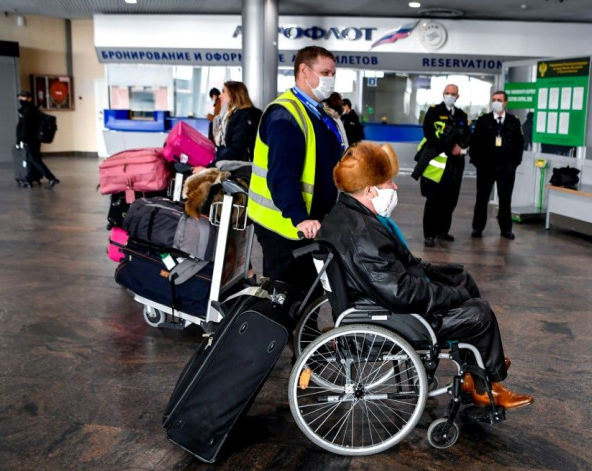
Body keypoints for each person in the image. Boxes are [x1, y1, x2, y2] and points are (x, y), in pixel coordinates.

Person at [317, 141, 533, 409]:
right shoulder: (362, 234)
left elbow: (395, 268)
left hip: (377, 300)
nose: (395, 187)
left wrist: (442, 278)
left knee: (460, 276)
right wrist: (452, 296)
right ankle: (486, 383)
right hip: (390, 317)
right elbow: (401, 293)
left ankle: (477, 367)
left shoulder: (350, 215)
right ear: (370, 188)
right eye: (388, 183)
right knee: (479, 313)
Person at [247, 45, 344, 292]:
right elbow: (282, 174)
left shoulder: (319, 113)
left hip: (314, 222)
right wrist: (300, 217)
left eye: (333, 74)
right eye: (325, 72)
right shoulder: (285, 116)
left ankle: (305, 332)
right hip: (286, 225)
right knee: (288, 293)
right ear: (304, 70)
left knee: (310, 289)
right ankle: (285, 332)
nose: (330, 79)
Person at [412, 84, 471, 247]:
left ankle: (442, 231)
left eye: (453, 94)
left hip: (455, 165)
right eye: (447, 93)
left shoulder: (461, 115)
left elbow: (467, 135)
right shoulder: (433, 112)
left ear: (458, 96)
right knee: (433, 200)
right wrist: (449, 147)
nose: (450, 96)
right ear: (443, 94)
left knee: (450, 200)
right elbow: (429, 133)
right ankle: (429, 234)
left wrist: (461, 146)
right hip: (437, 163)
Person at [469, 90, 524, 240]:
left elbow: (519, 144)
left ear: (505, 102)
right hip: (486, 167)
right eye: (494, 99)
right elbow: (475, 144)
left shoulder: (514, 121)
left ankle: (506, 229)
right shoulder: (483, 120)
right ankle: (477, 228)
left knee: (505, 199)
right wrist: (478, 163)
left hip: (506, 168)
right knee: (482, 198)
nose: (496, 102)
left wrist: (514, 164)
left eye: (499, 100)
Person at [16, 91, 59, 189]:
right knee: (31, 159)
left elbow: (25, 127)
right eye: (20, 97)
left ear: (29, 98)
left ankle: (51, 178)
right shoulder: (29, 109)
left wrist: (21, 139)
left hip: (31, 139)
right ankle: (29, 179)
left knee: (34, 159)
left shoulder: (28, 110)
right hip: (33, 139)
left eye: (23, 97)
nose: (20, 99)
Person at [213, 81, 262, 162]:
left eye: (223, 91)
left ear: (234, 94)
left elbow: (236, 150)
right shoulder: (235, 115)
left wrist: (211, 166)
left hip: (244, 168)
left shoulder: (244, 116)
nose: (220, 96)